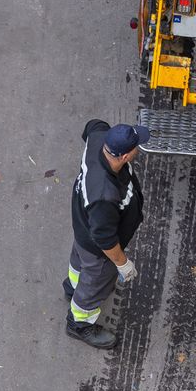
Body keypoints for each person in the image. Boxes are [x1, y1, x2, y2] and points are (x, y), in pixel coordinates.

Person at [64, 120, 149, 348]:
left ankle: (72, 288)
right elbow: (104, 239)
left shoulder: (98, 139)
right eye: (135, 147)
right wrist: (122, 264)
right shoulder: (105, 195)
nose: (138, 149)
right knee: (96, 281)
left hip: (83, 227)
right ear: (124, 156)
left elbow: (93, 125)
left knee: (79, 263)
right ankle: (79, 324)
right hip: (98, 249)